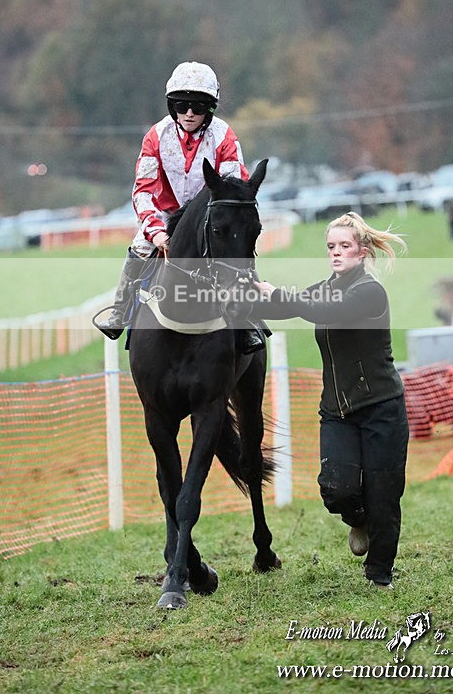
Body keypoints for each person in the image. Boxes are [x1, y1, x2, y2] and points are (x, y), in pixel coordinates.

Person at [254, 212, 409, 589]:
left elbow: (324, 311)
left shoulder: (369, 292)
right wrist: (246, 294)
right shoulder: (325, 288)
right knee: (336, 489)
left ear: (362, 251)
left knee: (384, 497)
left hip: (382, 409)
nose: (336, 252)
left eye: (344, 246)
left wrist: (278, 293)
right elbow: (287, 307)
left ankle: (379, 574)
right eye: (331, 247)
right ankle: (358, 519)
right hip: (337, 412)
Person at [95, 60, 264, 353]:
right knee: (139, 249)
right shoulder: (155, 136)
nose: (189, 113)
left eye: (198, 106)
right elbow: (143, 191)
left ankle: (248, 322)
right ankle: (120, 312)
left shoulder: (224, 135)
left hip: (209, 215)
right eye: (181, 105)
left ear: (210, 108)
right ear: (172, 106)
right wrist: (157, 232)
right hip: (164, 217)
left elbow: (233, 185)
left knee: (235, 251)